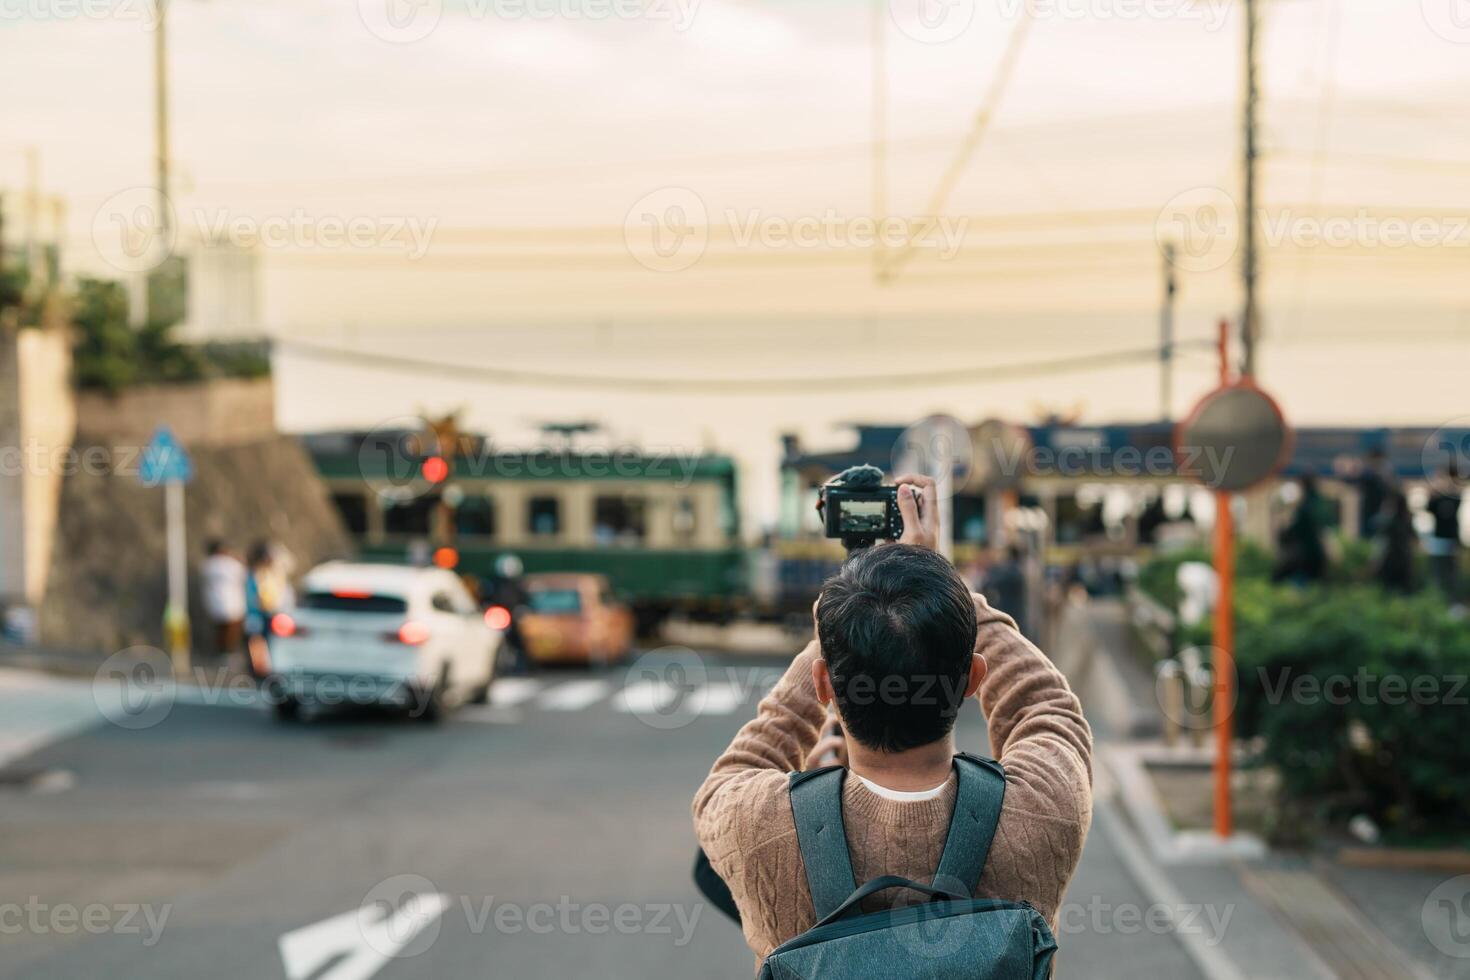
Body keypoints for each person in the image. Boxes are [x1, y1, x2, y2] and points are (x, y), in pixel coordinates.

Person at [692, 475, 1092, 966]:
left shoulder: (758, 821)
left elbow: (743, 763)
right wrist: (942, 581)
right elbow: (1044, 705)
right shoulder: (1047, 809)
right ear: (972, 679)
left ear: (823, 688)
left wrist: (836, 624)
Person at [1273, 475, 1329, 585]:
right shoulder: (1318, 501)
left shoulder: (1306, 506)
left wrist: (1285, 532)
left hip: (1306, 553)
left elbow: (1298, 528)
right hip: (1317, 552)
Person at [201, 539, 247, 660]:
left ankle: (221, 654)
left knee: (220, 631)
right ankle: (228, 654)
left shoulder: (207, 564)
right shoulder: (230, 563)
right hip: (232, 604)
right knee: (231, 631)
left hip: (215, 604)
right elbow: (243, 574)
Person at [1427, 464, 1463, 601]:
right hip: (1438, 539)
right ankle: (1438, 599)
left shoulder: (1454, 497)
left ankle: (1452, 599)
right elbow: (1429, 508)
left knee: (1451, 572)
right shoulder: (1437, 498)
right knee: (1437, 570)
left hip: (1451, 539)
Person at [243, 542, 277, 681]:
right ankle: (259, 669)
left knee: (265, 641)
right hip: (255, 613)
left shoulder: (266, 573)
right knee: (256, 640)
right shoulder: (253, 575)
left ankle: (264, 667)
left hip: (266, 612)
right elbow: (252, 596)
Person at [1375, 490, 1416, 594]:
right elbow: (1414, 541)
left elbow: (1382, 544)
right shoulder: (1407, 520)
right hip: (1405, 560)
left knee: (1388, 590)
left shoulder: (1389, 522)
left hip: (1391, 560)